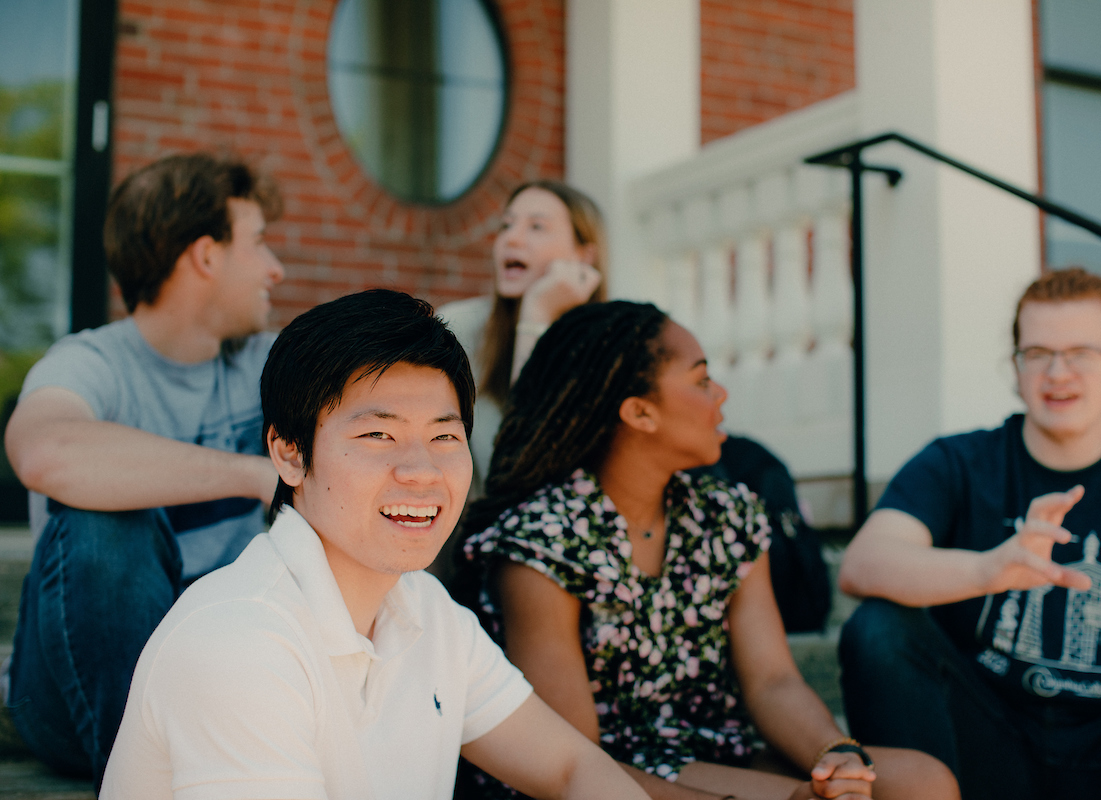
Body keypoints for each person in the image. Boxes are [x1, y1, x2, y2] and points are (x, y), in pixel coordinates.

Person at [101, 289, 653, 800]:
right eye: (378, 435)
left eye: (444, 436)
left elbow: (572, 768)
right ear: (289, 453)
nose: (422, 471)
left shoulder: (429, 614)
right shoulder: (240, 640)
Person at [460, 301, 959, 800]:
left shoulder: (727, 515)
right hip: (606, 773)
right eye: (701, 381)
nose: (720, 394)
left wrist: (834, 757)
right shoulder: (542, 542)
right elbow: (570, 760)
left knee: (923, 782)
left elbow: (773, 682)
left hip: (713, 750)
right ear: (639, 412)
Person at [836, 268, 1101, 799]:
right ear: (1015, 368)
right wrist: (988, 570)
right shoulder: (958, 463)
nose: (1058, 372)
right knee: (878, 628)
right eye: (1037, 353)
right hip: (985, 739)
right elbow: (862, 564)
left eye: (1081, 353)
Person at [4, 153, 285, 786]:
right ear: (206, 257)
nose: (277, 269)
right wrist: (253, 475)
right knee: (103, 522)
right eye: (260, 244)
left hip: (213, 675)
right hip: (71, 692)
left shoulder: (266, 365)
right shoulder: (89, 362)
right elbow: (47, 451)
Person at [438, 180, 605, 487]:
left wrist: (537, 315)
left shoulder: (607, 346)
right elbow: (507, 473)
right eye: (506, 225)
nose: (511, 239)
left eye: (537, 227)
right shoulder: (458, 328)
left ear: (584, 255)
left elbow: (538, 467)